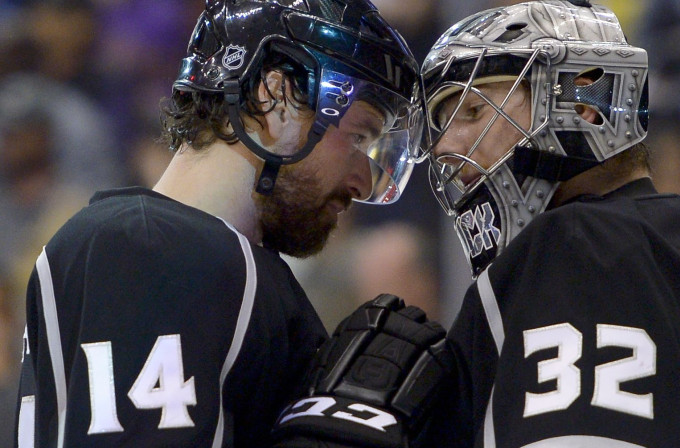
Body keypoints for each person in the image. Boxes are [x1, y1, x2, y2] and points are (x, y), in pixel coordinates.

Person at [13, 0, 431, 446]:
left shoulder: (204, 256)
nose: (364, 182)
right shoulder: (153, 246)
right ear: (277, 100)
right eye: (360, 135)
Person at [411, 1, 680, 446]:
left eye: (473, 111)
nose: (446, 147)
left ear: (583, 106)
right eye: (443, 123)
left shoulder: (583, 244)